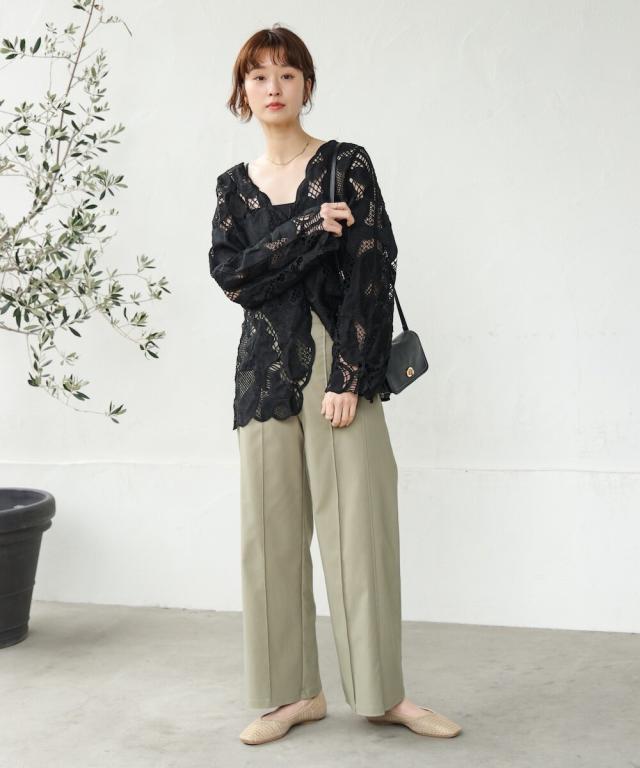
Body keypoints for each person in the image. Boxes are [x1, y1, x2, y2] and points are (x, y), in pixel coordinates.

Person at [208, 23, 462, 746]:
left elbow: (372, 267)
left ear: (307, 86)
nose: (274, 87)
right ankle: (293, 695)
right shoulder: (232, 188)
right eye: (259, 76)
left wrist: (349, 374)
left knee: (360, 534)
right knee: (269, 538)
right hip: (262, 374)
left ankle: (384, 696)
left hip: (336, 363)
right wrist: (308, 231)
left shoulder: (345, 164)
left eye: (287, 74)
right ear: (243, 92)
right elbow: (232, 278)